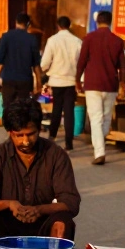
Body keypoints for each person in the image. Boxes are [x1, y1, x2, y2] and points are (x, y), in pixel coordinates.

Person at [0, 96, 80, 241]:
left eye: (31, 134)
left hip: (43, 226)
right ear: (9, 132)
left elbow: (71, 202)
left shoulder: (56, 155)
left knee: (63, 222)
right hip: (4, 227)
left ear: (39, 129)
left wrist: (39, 210)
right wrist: (9, 204)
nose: (25, 141)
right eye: (19, 136)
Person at [76, 10, 125, 166]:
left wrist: (77, 80)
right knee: (105, 118)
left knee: (96, 119)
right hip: (110, 85)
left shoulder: (89, 38)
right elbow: (123, 66)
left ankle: (99, 151)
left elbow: (82, 61)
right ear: (110, 22)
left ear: (97, 22)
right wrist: (122, 85)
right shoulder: (117, 41)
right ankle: (100, 145)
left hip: (92, 84)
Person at [40, 15, 82, 151]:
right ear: (69, 26)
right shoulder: (77, 41)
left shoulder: (52, 40)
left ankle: (52, 136)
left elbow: (45, 62)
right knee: (69, 111)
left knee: (57, 109)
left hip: (57, 80)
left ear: (58, 26)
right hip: (71, 80)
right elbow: (81, 63)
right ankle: (69, 142)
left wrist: (43, 70)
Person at [0, 13, 42, 109]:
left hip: (8, 80)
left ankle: (8, 124)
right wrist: (39, 85)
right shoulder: (32, 39)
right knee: (23, 110)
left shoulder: (6, 37)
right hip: (25, 81)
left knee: (8, 109)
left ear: (16, 22)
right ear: (28, 24)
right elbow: (36, 65)